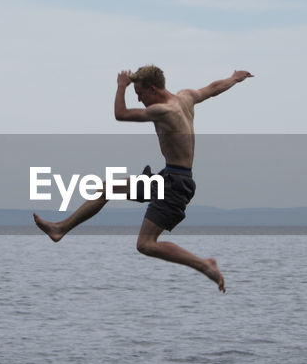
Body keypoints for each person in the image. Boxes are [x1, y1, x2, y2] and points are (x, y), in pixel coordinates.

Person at [33, 66, 254, 292]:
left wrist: (121, 86)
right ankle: (60, 229)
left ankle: (205, 265)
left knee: (145, 245)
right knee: (108, 188)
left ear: (152, 88)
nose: (138, 99)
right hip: (168, 176)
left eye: (139, 94)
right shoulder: (185, 97)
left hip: (176, 185)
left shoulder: (165, 111)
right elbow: (213, 89)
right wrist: (234, 79)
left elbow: (121, 114)